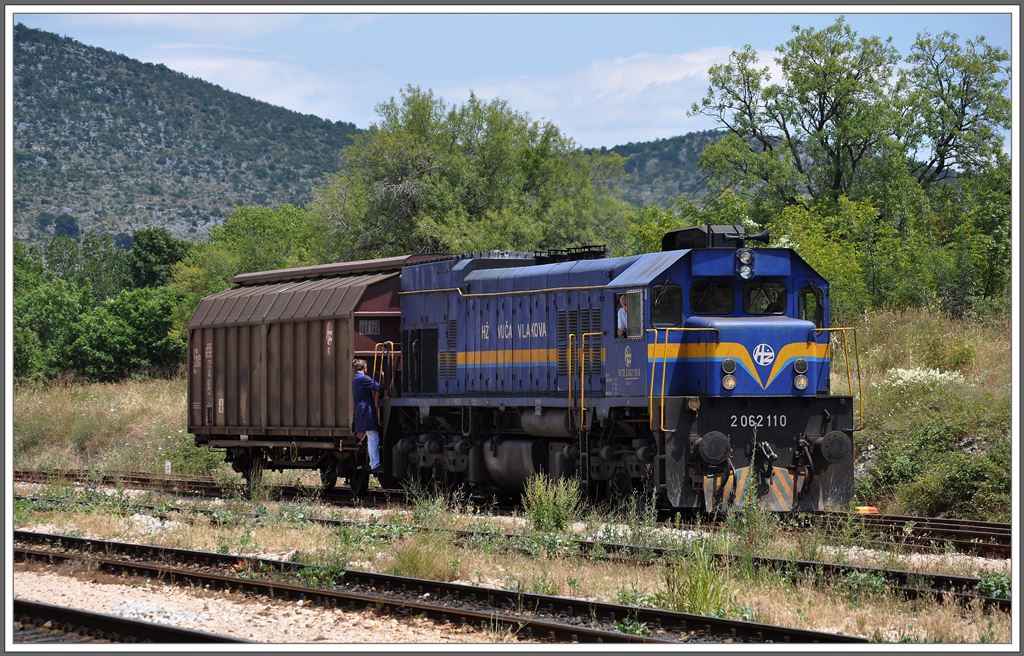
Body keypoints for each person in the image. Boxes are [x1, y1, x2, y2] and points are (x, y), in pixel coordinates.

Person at [352, 359, 385, 474]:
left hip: (361, 410)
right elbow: (379, 387)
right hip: (366, 410)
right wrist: (382, 378)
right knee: (373, 437)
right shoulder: (363, 378)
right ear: (364, 368)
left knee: (371, 436)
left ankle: (374, 463)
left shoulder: (355, 378)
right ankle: (375, 464)